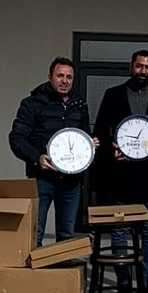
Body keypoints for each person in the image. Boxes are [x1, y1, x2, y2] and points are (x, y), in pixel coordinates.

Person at [91, 49, 148, 293]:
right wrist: (111, 150)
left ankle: (145, 285)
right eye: (140, 66)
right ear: (131, 67)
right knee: (120, 231)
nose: (143, 71)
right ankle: (123, 285)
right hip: (121, 177)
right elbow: (101, 131)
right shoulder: (113, 95)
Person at [8, 56, 94, 244]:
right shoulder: (33, 103)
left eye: (69, 77)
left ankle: (64, 265)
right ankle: (32, 264)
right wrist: (37, 157)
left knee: (66, 235)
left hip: (71, 180)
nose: (65, 81)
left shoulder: (79, 105)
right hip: (42, 178)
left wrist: (90, 144)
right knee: (34, 232)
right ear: (50, 77)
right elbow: (16, 138)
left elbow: (84, 134)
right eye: (60, 76)